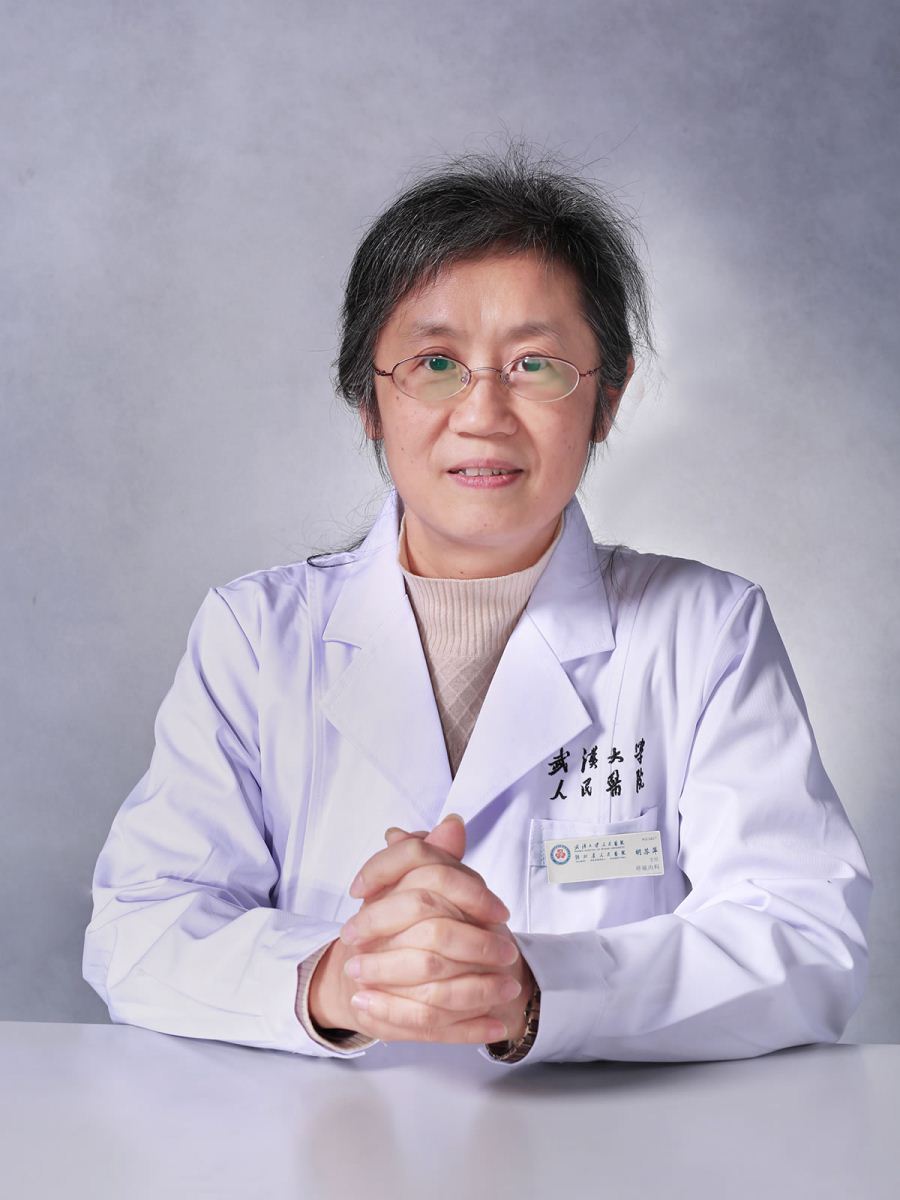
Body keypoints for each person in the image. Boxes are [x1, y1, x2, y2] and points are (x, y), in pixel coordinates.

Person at [83, 145, 872, 1067]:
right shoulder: (256, 636)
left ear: (607, 398)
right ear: (369, 401)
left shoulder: (707, 630)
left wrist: (536, 987)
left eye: (536, 364)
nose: (484, 413)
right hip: (323, 1137)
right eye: (435, 363)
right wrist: (339, 979)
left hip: (612, 1138)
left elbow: (806, 936)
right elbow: (140, 928)